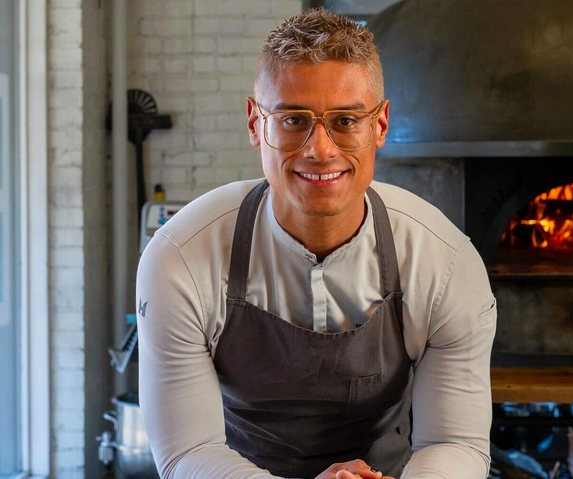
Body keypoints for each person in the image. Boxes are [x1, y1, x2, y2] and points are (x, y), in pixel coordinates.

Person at [137, 8, 497, 479]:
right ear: (255, 123)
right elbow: (187, 452)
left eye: (346, 120)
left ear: (380, 125)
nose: (320, 149)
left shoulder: (444, 262)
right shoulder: (180, 258)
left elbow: (456, 442)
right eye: (292, 120)